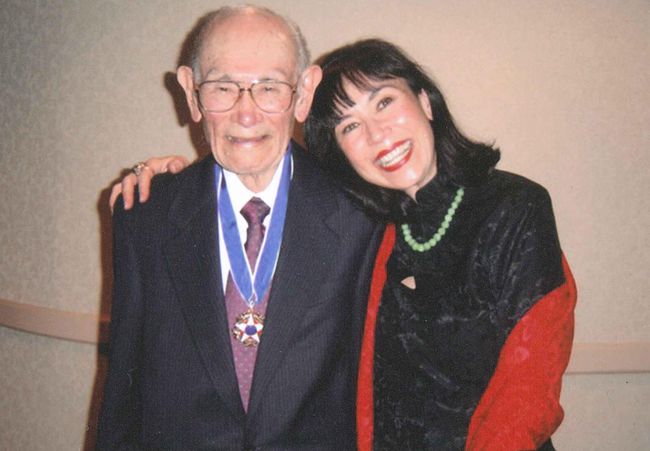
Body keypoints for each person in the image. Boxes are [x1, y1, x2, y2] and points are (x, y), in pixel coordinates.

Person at [112, 39, 576, 450]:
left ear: (425, 101)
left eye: (384, 102)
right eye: (349, 127)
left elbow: (528, 388)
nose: (377, 134)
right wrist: (171, 178)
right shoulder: (371, 222)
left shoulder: (513, 208)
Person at [98, 6, 383, 449]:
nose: (245, 113)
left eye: (269, 88)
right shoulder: (146, 216)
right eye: (223, 87)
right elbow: (123, 395)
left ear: (304, 93)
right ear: (192, 94)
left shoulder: (360, 215)